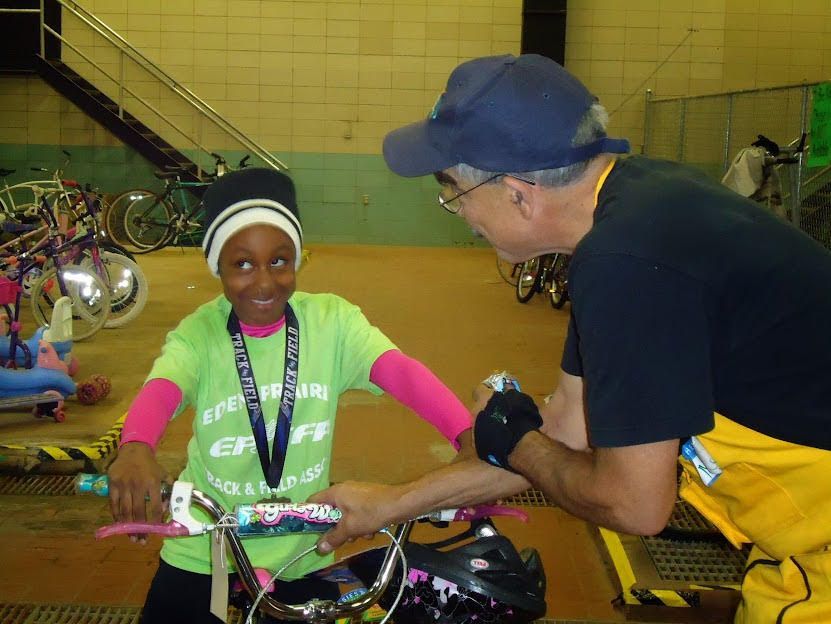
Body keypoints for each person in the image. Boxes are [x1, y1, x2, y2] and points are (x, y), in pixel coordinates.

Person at [308, 54, 831, 623]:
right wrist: (390, 503)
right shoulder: (635, 208)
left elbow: (634, 503)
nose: (456, 210)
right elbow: (565, 431)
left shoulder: (626, 263)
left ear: (518, 193)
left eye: (451, 187)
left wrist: (516, 439)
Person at [106, 167, 475, 624]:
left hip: (305, 548)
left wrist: (470, 437)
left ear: (296, 259)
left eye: (279, 261)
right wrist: (136, 445)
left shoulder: (332, 324)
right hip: (208, 548)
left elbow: (402, 374)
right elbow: (163, 389)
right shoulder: (199, 334)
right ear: (216, 266)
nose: (263, 282)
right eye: (242, 263)